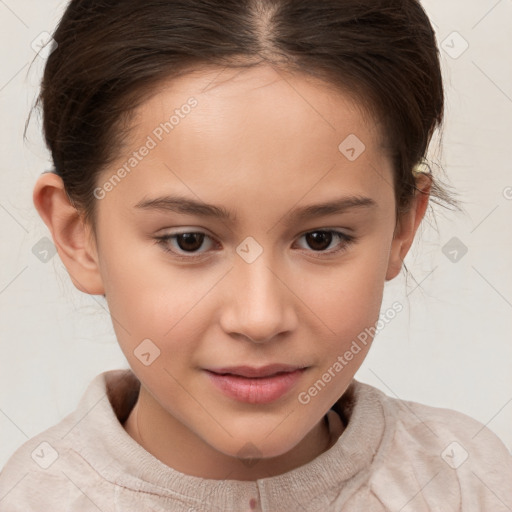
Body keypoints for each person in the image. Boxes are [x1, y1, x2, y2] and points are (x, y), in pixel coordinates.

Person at [1, 0, 511, 510]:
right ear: (77, 235)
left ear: (402, 227)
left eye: (321, 239)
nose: (260, 318)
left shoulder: (466, 482)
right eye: (189, 241)